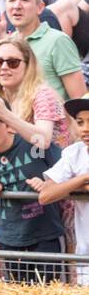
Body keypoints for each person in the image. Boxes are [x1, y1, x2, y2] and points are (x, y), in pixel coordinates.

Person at [0, 99, 64, 283]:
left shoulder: (33, 143)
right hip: (10, 236)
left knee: (48, 292)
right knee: (16, 290)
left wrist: (48, 183)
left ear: (10, 126)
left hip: (44, 232)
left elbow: (65, 170)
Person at [0, 35, 71, 151]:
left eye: (13, 62)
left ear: (28, 66)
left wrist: (4, 114)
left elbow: (43, 140)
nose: (4, 67)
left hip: (52, 165)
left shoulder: (43, 94)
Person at [35, 97, 89, 284]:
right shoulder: (75, 152)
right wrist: (82, 179)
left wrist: (70, 185)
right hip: (86, 254)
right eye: (80, 122)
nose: (85, 129)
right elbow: (46, 195)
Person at [4, 0, 85, 100]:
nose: (17, 6)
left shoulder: (58, 41)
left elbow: (79, 99)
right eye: (11, 0)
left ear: (40, 8)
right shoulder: (8, 44)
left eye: (25, 0)